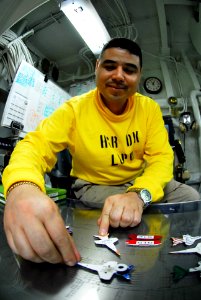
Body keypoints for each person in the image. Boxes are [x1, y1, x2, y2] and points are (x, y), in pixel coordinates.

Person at [2, 38, 200, 266]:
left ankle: (181, 248)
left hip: (139, 181)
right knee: (120, 219)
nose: (118, 75)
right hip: (95, 186)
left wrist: (139, 194)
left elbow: (161, 157)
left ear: (139, 76)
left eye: (129, 69)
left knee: (191, 198)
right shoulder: (73, 110)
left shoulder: (149, 109)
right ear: (97, 68)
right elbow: (35, 145)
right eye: (109, 66)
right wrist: (21, 187)